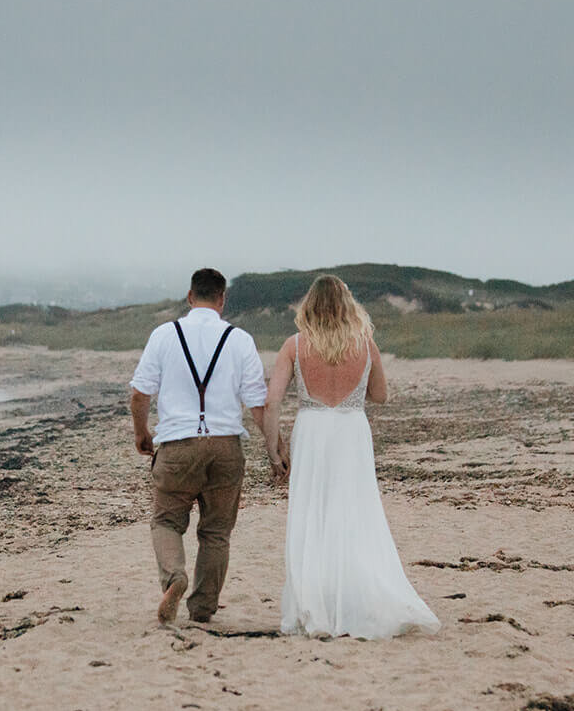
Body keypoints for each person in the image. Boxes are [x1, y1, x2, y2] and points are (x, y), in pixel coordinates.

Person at [262, 275, 441, 638]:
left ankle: (315, 604)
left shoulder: (294, 346)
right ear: (348, 306)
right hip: (349, 433)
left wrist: (273, 448)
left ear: (309, 306)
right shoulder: (365, 344)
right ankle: (354, 600)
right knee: (354, 515)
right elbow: (380, 395)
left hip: (311, 432)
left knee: (312, 515)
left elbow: (272, 401)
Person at [130, 268, 268, 624]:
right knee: (216, 532)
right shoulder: (240, 340)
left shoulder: (165, 334)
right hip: (225, 446)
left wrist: (141, 432)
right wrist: (275, 447)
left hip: (178, 444)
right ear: (222, 300)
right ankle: (203, 608)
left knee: (165, 521)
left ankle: (174, 577)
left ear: (190, 297)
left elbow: (140, 393)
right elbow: (257, 403)